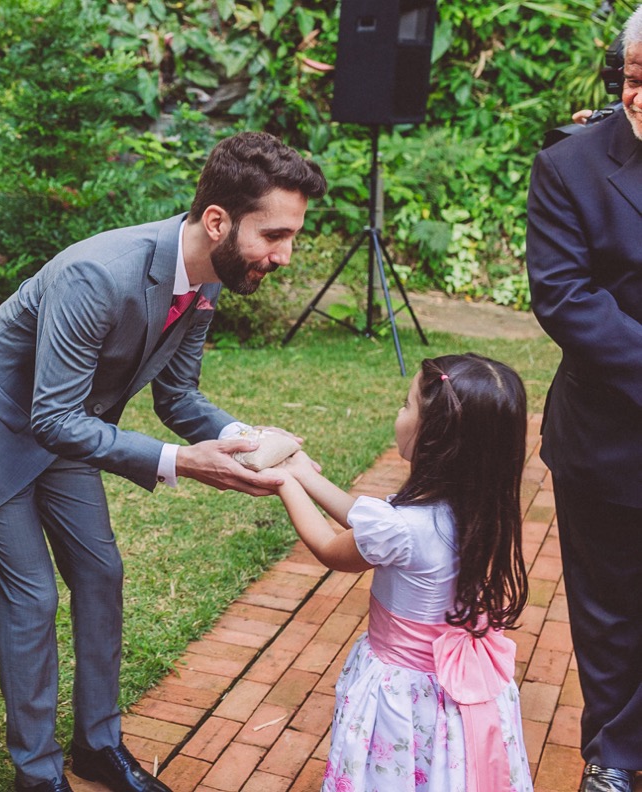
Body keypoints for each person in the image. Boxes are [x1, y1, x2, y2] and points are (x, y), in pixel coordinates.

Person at [0, 132, 327, 792]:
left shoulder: (208, 278)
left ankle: (98, 746)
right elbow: (50, 416)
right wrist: (180, 463)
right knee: (33, 597)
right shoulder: (98, 273)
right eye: (274, 235)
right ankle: (38, 772)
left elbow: (178, 394)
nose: (284, 256)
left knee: (101, 574)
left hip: (67, 427)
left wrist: (245, 437)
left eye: (292, 237)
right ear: (218, 221)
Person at [266, 353, 532, 792]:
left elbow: (331, 549)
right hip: (456, 695)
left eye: (407, 405)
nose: (400, 412)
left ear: (435, 436)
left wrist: (283, 482)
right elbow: (370, 521)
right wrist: (303, 470)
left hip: (401, 694)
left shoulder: (403, 526)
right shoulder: (482, 509)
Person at [526, 6, 642, 790]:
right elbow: (565, 299)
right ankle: (612, 757)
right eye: (635, 81)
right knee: (609, 611)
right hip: (606, 435)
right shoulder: (568, 166)